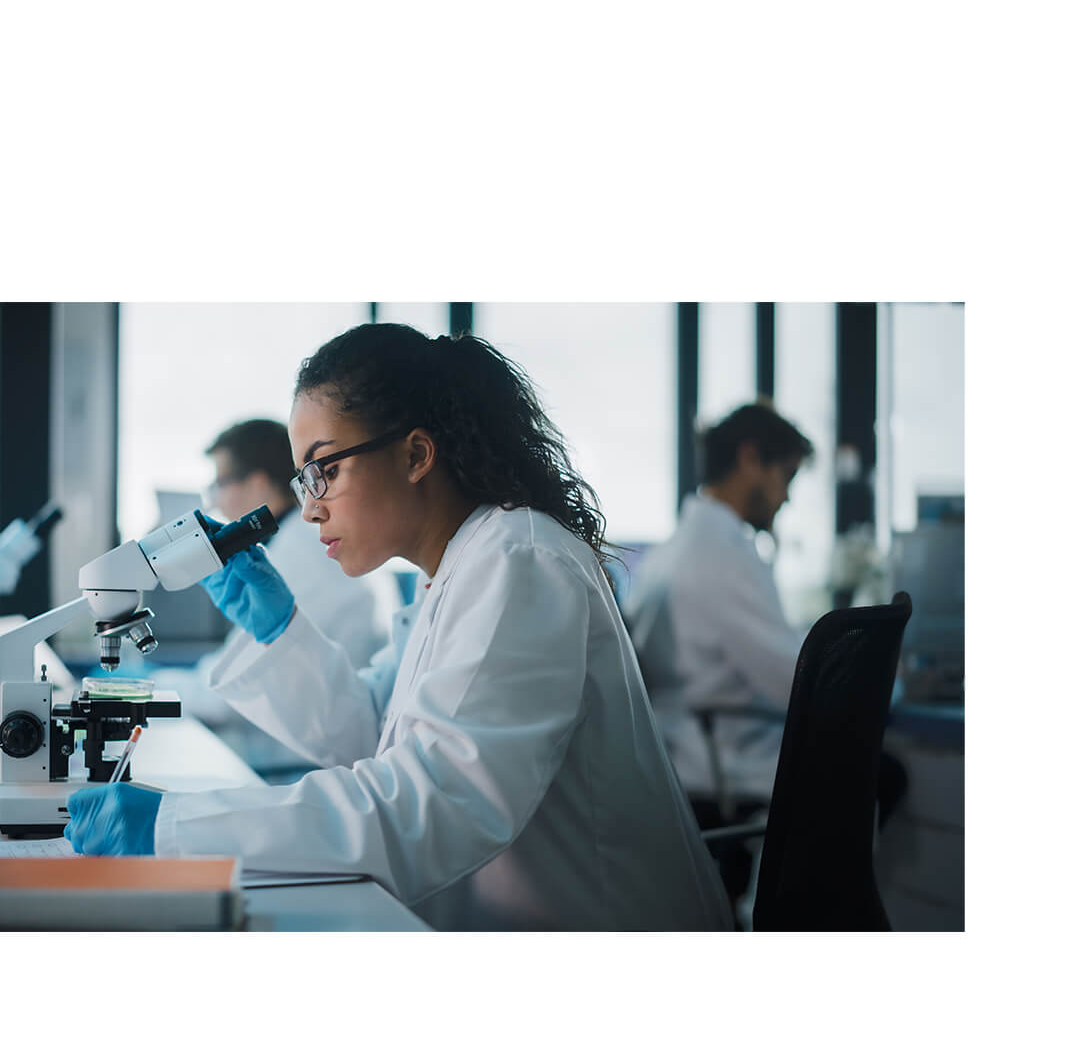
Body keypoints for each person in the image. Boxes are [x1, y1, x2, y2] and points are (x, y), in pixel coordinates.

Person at [64, 324, 732, 931]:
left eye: (325, 470)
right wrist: (280, 631)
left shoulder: (518, 559)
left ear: (415, 455)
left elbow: (433, 803)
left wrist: (179, 824)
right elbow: (373, 736)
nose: (311, 508)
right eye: (303, 481)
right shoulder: (454, 571)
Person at [152, 418, 402, 773]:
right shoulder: (299, 543)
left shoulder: (305, 549)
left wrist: (146, 688)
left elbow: (225, 697)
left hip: (295, 762)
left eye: (220, 483)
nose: (215, 500)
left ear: (257, 484)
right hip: (316, 742)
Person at [624, 403, 813, 822]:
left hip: (681, 751)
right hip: (723, 763)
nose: (786, 497)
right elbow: (795, 679)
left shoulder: (673, 549)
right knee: (881, 773)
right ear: (750, 459)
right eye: (786, 476)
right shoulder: (723, 552)